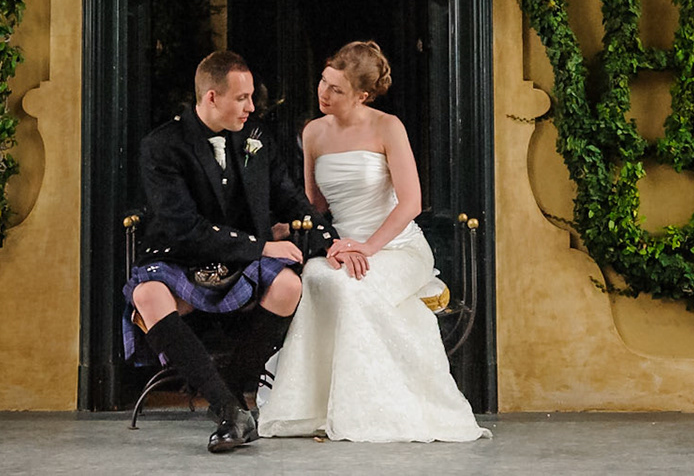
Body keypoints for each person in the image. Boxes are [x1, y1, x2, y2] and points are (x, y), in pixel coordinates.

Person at [259, 40, 489, 442]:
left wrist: (368, 247)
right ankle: (315, 402)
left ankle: (375, 405)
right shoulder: (314, 132)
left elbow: (412, 202)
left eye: (337, 90)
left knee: (352, 287)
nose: (323, 93)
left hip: (398, 247)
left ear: (362, 95)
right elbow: (316, 204)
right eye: (323, 82)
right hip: (342, 247)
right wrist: (285, 229)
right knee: (317, 275)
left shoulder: (388, 127)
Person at [125, 50, 334, 453]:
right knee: (146, 295)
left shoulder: (256, 138)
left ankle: (231, 393)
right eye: (242, 98)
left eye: (251, 97)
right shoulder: (162, 145)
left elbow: (290, 197)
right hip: (181, 255)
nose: (252, 107)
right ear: (211, 98)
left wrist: (330, 240)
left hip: (239, 260)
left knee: (289, 286)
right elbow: (184, 229)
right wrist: (263, 247)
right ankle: (229, 408)